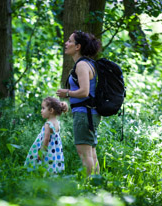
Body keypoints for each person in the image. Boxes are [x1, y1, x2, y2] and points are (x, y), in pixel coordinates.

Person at [56, 30, 101, 175]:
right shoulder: (88, 63)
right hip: (89, 113)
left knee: (84, 153)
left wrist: (66, 93)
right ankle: (96, 184)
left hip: (85, 114)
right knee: (91, 152)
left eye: (70, 41)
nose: (66, 43)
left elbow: (84, 92)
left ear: (78, 47)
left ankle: (89, 187)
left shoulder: (82, 65)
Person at [24, 97, 68, 173]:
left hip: (48, 150)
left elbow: (46, 139)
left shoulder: (48, 124)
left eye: (43, 108)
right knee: (51, 164)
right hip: (54, 150)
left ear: (51, 110)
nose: (41, 111)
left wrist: (42, 152)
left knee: (44, 165)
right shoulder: (57, 123)